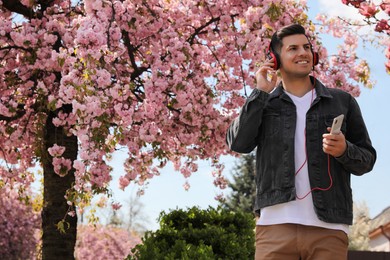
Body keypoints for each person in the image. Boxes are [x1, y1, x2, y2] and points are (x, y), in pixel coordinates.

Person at [226, 24, 376, 260]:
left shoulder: (342, 101)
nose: (303, 53)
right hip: (275, 227)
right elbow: (238, 143)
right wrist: (259, 93)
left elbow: (367, 160)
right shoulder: (264, 103)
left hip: (329, 229)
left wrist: (344, 150)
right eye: (293, 48)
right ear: (275, 59)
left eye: (306, 47)